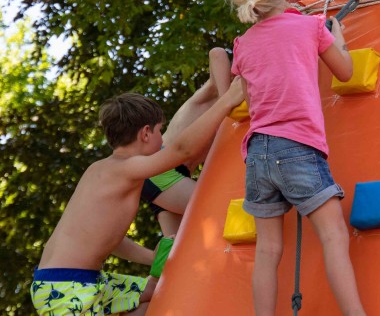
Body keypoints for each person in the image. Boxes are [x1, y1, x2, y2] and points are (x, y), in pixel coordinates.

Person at [29, 78, 244, 316]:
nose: (162, 139)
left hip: (79, 280)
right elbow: (182, 150)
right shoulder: (123, 169)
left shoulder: (102, 171)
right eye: (160, 131)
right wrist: (226, 102)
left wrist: (155, 258)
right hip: (65, 289)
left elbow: (110, 240)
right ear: (145, 133)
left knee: (159, 290)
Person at [221, 0, 366, 315]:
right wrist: (338, 37)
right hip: (298, 145)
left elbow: (250, 95)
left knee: (268, 251)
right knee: (333, 236)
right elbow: (345, 72)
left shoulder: (242, 45)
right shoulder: (311, 26)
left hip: (257, 152)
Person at [140, 47, 233, 237]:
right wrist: (227, 99)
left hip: (173, 173)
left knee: (175, 247)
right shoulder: (214, 92)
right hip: (162, 167)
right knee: (224, 206)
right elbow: (216, 52)